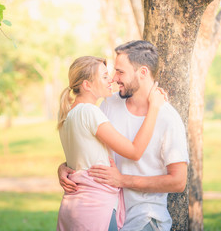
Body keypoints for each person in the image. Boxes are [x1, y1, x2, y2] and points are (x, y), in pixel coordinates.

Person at [58, 41, 189, 231]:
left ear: (142, 72)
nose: (114, 77)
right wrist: (66, 168)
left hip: (144, 216)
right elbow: (92, 148)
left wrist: (123, 180)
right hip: (107, 211)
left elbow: (178, 182)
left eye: (120, 72)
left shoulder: (168, 118)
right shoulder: (109, 104)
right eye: (111, 72)